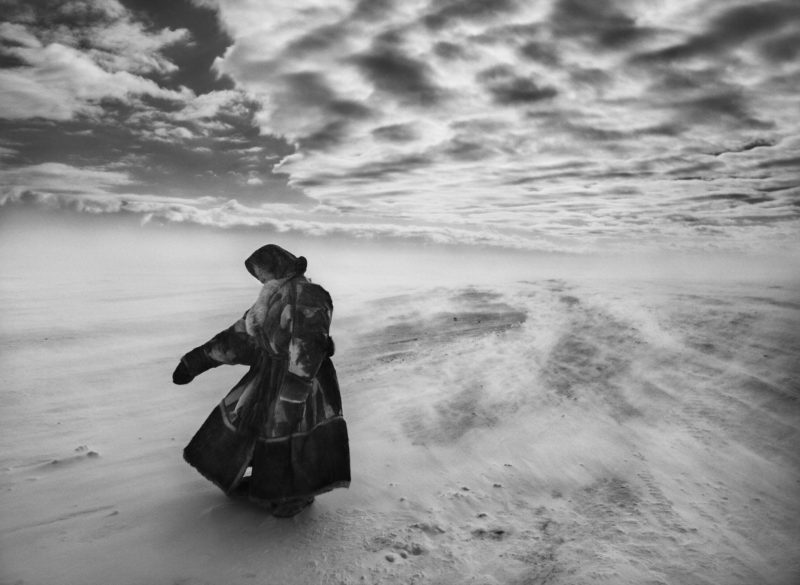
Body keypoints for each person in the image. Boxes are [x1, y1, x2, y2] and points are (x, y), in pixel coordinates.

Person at [172, 244, 350, 517]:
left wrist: (294, 392)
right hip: (270, 375)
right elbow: (237, 338)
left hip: (304, 381)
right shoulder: (270, 300)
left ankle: (294, 496)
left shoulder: (310, 296)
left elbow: (307, 347)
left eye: (262, 272)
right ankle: (268, 483)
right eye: (259, 275)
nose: (261, 279)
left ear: (278, 267)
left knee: (293, 433)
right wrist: (194, 362)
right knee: (260, 426)